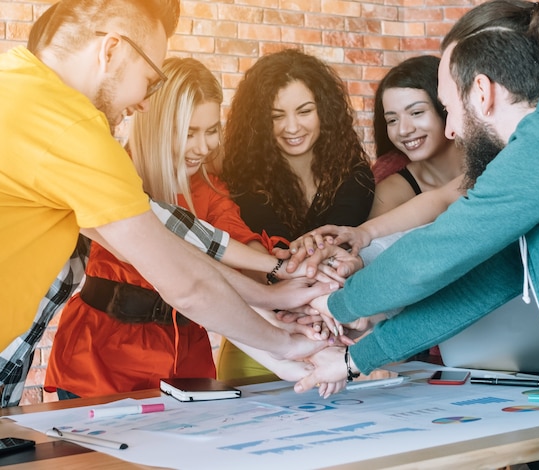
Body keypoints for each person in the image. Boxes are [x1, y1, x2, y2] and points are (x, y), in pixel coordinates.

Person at [293, 1, 539, 467]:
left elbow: (435, 252)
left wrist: (336, 303)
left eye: (448, 109)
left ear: (484, 92)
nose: (451, 129)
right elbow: (491, 278)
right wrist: (354, 360)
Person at [0, 0, 338, 393]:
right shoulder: (70, 129)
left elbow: (164, 246)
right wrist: (289, 344)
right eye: (150, 78)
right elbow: (186, 284)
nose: (145, 102)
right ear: (111, 50)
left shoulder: (17, 88)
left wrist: (270, 294)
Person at [218, 48, 375, 381]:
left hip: (341, 340)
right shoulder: (239, 180)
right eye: (276, 116)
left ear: (325, 112)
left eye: (305, 111)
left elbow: (338, 250)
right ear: (259, 120)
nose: (292, 127)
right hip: (264, 342)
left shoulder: (355, 175)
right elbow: (264, 263)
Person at [368, 55, 464, 219]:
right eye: (392, 120)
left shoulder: (498, 160)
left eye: (416, 112)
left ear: (446, 107)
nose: (403, 130)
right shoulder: (389, 192)